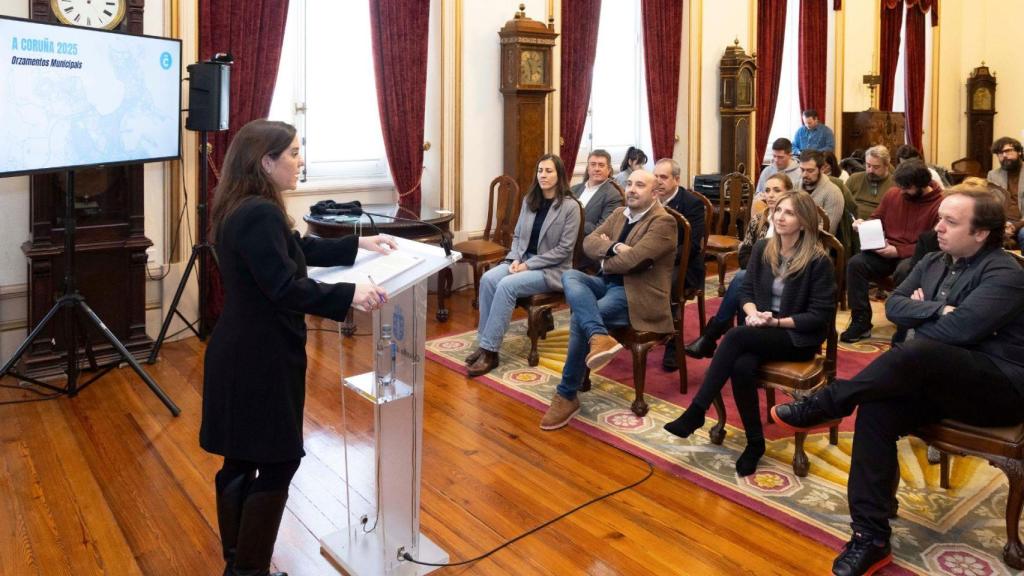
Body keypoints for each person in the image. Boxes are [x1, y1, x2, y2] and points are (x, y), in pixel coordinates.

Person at [771, 186, 1024, 576]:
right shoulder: (934, 260)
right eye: (940, 217)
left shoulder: (1006, 273)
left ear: (981, 233)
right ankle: (870, 537)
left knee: (917, 349)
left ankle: (830, 401)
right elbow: (894, 306)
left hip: (997, 388)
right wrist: (938, 308)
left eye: (950, 222)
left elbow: (959, 330)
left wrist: (924, 314)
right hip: (937, 378)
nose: (937, 227)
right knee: (876, 408)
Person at [200, 120, 393, 576]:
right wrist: (351, 294)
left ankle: (240, 567)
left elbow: (295, 248)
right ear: (265, 162)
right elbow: (285, 286)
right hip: (260, 358)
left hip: (239, 351)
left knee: (241, 459)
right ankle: (248, 570)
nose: (299, 160)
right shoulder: (260, 212)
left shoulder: (240, 206)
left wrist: (358, 243)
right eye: (292, 152)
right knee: (279, 460)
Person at [664, 191, 836, 477]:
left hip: (797, 338)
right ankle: (755, 443)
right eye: (778, 210)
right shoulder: (763, 248)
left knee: (734, 337)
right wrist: (754, 312)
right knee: (741, 366)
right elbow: (746, 291)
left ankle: (696, 412)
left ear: (804, 222)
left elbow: (819, 317)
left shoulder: (819, 261)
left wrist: (776, 323)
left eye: (789, 213)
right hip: (762, 329)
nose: (780, 216)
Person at [540, 169, 677, 430]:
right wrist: (613, 247)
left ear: (655, 192)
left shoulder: (663, 222)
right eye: (629, 184)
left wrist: (606, 258)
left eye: (640, 185)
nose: (632, 189)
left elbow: (634, 261)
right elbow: (587, 243)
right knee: (571, 276)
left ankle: (566, 394)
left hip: (637, 293)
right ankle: (599, 337)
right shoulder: (619, 214)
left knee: (584, 317)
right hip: (606, 283)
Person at [465, 155, 582, 376]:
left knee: (507, 285)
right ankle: (483, 343)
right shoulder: (530, 201)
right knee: (489, 279)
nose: (543, 175)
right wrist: (516, 258)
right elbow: (518, 236)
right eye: (540, 171)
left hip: (551, 270)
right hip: (522, 260)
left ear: (560, 175)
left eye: (549, 171)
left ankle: (491, 351)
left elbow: (564, 250)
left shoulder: (570, 207)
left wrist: (529, 265)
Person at [685, 173, 792, 358]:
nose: (771, 195)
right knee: (744, 280)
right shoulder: (759, 220)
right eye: (767, 190)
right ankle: (730, 340)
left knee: (742, 278)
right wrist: (758, 270)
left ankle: (712, 334)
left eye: (777, 190)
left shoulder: (796, 221)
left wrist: (758, 269)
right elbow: (743, 255)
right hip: (756, 278)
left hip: (785, 280)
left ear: (790, 193)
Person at [841, 159, 942, 343]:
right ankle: (861, 321)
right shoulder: (893, 194)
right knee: (856, 264)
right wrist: (864, 225)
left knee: (904, 271)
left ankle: (904, 323)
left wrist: (898, 251)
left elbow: (934, 244)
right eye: (901, 186)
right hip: (886, 249)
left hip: (915, 254)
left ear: (923, 185)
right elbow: (877, 218)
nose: (902, 191)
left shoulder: (939, 204)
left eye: (907, 188)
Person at [652, 158, 706, 371]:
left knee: (667, 282)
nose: (657, 182)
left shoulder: (691, 204)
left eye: (663, 177)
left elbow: (691, 246)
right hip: (652, 259)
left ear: (676, 179)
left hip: (683, 264)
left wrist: (658, 258)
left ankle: (673, 341)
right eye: (655, 176)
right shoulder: (649, 198)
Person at [572, 149, 624, 235]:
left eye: (601, 165)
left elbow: (602, 230)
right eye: (593, 165)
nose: (597, 169)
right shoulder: (573, 190)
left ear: (609, 170)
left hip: (586, 245)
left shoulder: (614, 195)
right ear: (588, 168)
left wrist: (572, 220)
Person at [987, 136, 1024, 248]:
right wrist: (1002, 224)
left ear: (1019, 152)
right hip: (1002, 222)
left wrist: (1016, 226)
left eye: (1008, 151)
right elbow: (992, 204)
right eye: (999, 153)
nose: (1004, 156)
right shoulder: (993, 175)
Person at [799, 150, 844, 235]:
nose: (804, 175)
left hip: (818, 244)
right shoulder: (796, 186)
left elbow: (827, 231)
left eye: (810, 171)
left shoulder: (833, 193)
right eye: (802, 170)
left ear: (822, 169)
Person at [847, 145, 896, 220]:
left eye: (876, 167)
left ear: (886, 166)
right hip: (853, 224)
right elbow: (842, 204)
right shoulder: (854, 178)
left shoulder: (895, 184)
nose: (871, 170)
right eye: (868, 165)